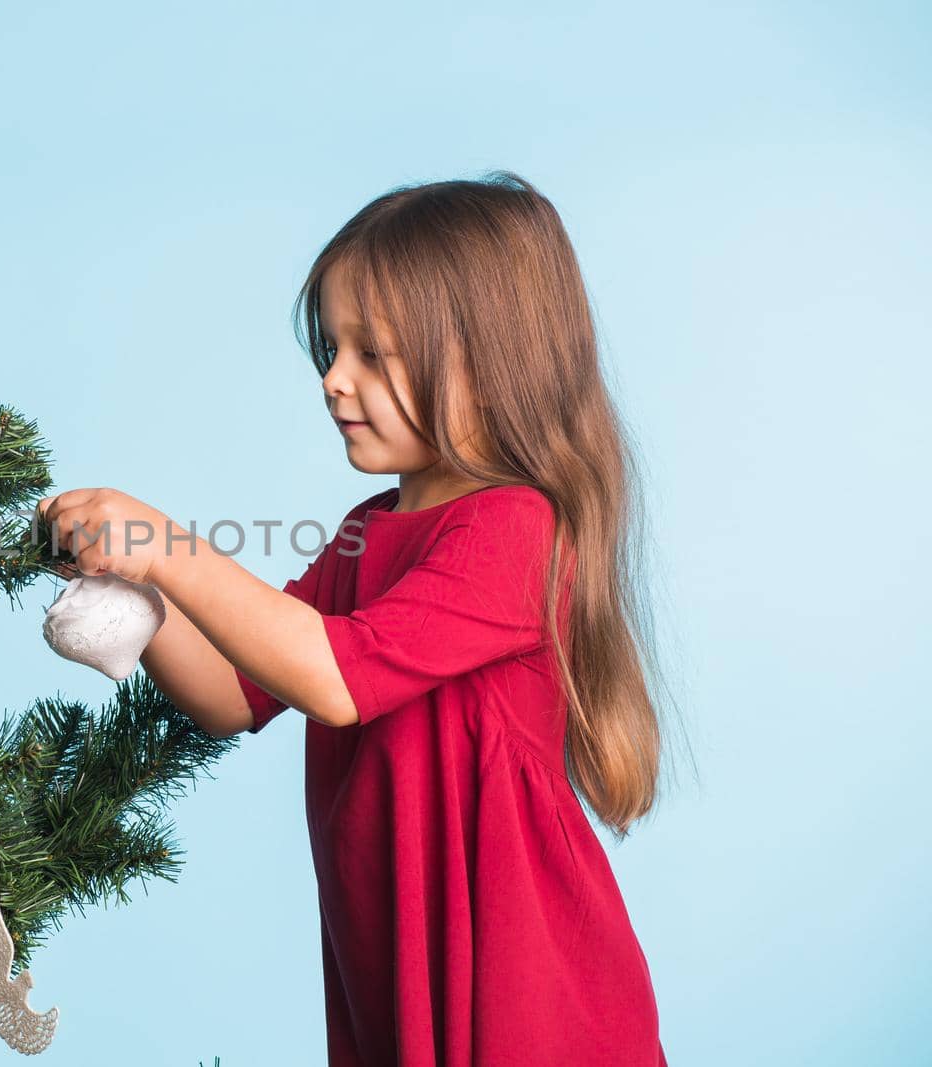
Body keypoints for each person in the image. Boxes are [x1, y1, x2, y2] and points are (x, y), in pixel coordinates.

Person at [34, 171, 670, 1065]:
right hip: (395, 984)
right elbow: (234, 691)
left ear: (490, 365)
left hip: (532, 1002)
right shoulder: (366, 534)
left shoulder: (515, 527)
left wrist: (162, 545)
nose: (334, 380)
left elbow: (336, 679)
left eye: (375, 353)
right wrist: (139, 600)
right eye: (332, 349)